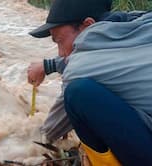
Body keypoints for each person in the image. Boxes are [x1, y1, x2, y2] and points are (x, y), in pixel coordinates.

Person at [28, 0, 152, 165]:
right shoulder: (142, 23)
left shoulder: (79, 69)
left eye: (59, 41)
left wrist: (28, 141)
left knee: (78, 93)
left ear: (87, 25)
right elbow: (101, 55)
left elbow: (50, 132)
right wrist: (47, 66)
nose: (60, 52)